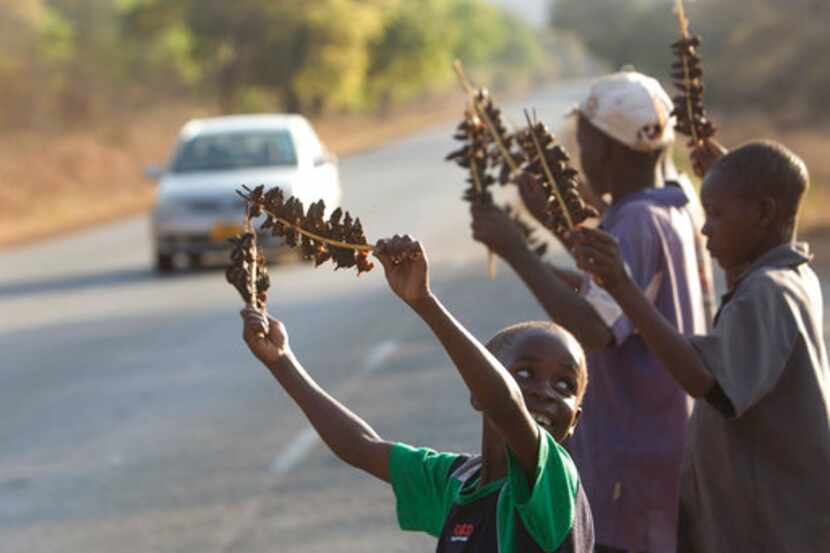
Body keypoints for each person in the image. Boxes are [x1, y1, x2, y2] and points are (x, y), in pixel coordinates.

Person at [471, 71, 708, 553]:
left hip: (632, 448)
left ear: (609, 151)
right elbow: (610, 297)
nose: (580, 158)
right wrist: (550, 229)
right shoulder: (677, 204)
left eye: (584, 143)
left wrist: (516, 250)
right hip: (666, 441)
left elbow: (595, 328)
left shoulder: (637, 221)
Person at [241, 235, 595, 552]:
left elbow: (506, 404)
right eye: (524, 373)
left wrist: (424, 301)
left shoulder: (555, 479)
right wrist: (282, 362)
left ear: (576, 418)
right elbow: (362, 446)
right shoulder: (458, 480)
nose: (544, 391)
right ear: (475, 389)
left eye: (565, 385)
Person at [571, 141, 830, 552]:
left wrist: (622, 284)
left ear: (763, 213)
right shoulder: (788, 275)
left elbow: (701, 377)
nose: (705, 228)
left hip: (772, 531)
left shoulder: (768, 292)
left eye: (716, 214)